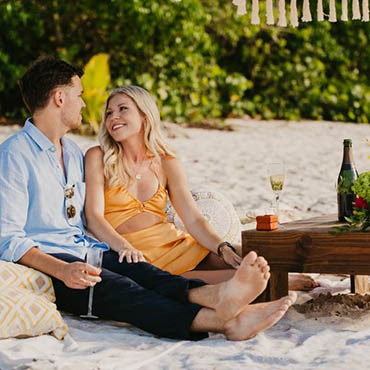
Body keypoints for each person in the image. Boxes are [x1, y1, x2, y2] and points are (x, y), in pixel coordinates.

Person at [0, 56, 296, 341]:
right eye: (79, 95)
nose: (83, 103)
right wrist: (62, 269)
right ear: (59, 98)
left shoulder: (73, 152)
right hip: (53, 259)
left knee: (144, 272)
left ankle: (220, 297)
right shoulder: (14, 154)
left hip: (87, 249)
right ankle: (226, 321)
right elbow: (8, 238)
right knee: (122, 289)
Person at [84, 85, 318, 289]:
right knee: (230, 277)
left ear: (145, 116)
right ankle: (276, 283)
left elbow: (193, 219)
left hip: (175, 243)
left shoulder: (166, 162)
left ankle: (281, 276)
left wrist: (222, 247)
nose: (114, 117)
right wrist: (124, 247)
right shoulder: (98, 157)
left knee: (253, 255)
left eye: (123, 109)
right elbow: (94, 217)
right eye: (109, 113)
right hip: (136, 253)